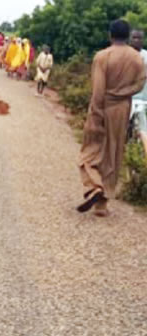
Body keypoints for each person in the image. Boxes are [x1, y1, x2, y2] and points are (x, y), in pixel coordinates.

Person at [78, 19, 146, 216]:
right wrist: (123, 93)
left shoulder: (102, 56)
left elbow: (98, 89)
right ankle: (102, 204)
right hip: (123, 107)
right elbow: (140, 84)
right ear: (127, 36)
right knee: (113, 152)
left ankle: (94, 186)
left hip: (102, 106)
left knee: (89, 151)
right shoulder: (137, 59)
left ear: (110, 35)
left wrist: (97, 114)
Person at [129, 29, 147, 157]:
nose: (137, 40)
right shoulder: (125, 54)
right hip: (126, 99)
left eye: (139, 38)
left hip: (142, 99)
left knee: (143, 131)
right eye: (134, 38)